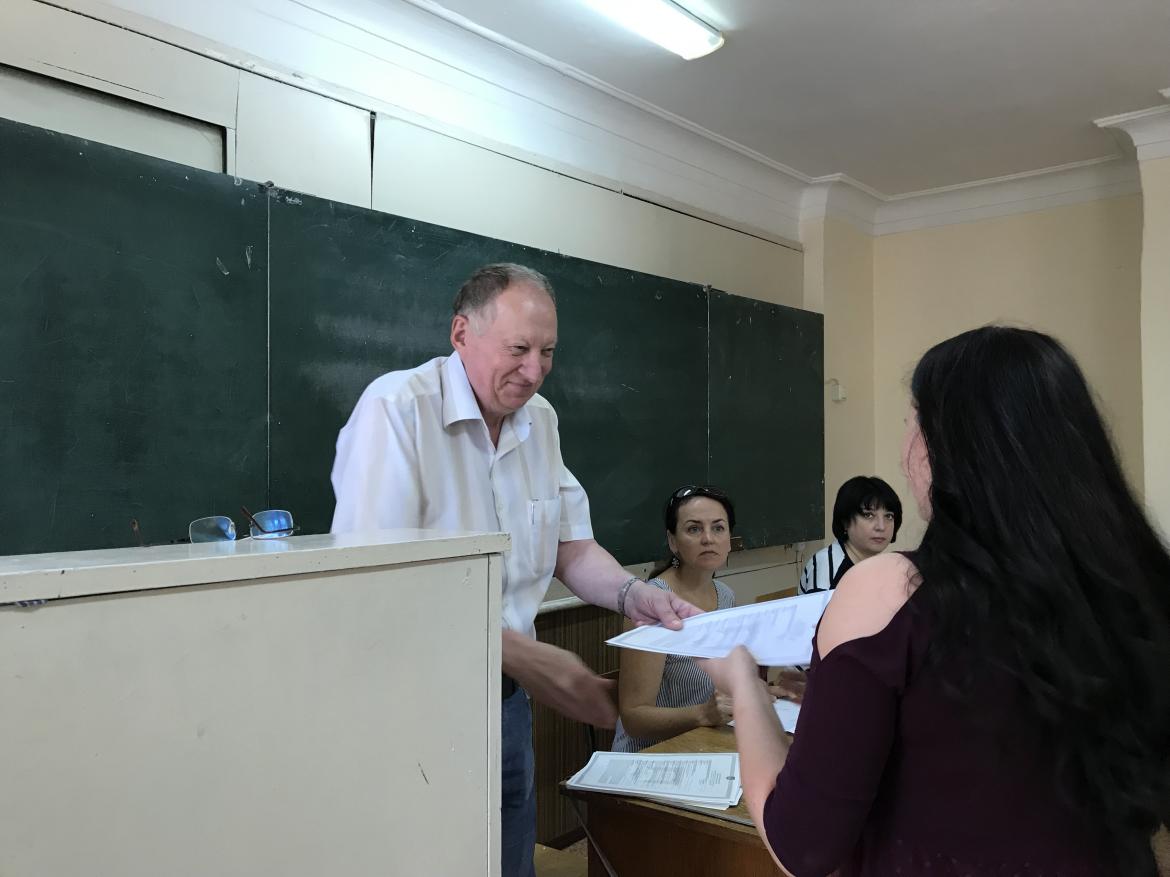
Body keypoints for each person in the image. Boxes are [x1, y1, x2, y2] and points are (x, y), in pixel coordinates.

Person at [702, 326, 1170, 876]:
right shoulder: (1135, 582)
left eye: (912, 421)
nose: (906, 450)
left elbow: (803, 847)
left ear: (940, 445)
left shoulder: (889, 588)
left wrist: (743, 684)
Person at [329, 263, 702, 877]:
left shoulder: (540, 420)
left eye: (547, 352)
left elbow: (570, 546)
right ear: (461, 334)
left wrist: (634, 595)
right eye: (518, 350)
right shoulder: (397, 409)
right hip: (415, 704)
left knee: (510, 860)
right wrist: (527, 657)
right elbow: (380, 585)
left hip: (507, 704)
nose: (534, 371)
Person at [612, 485, 738, 752]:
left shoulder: (726, 596)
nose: (708, 539)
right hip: (650, 754)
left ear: (729, 539)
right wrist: (704, 714)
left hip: (701, 743)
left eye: (718, 528)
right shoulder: (652, 603)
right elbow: (634, 718)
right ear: (673, 541)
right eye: (694, 529)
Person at [799, 476, 902, 593]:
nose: (881, 527)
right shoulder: (827, 567)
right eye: (869, 515)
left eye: (889, 516)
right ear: (845, 522)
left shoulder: (882, 565)